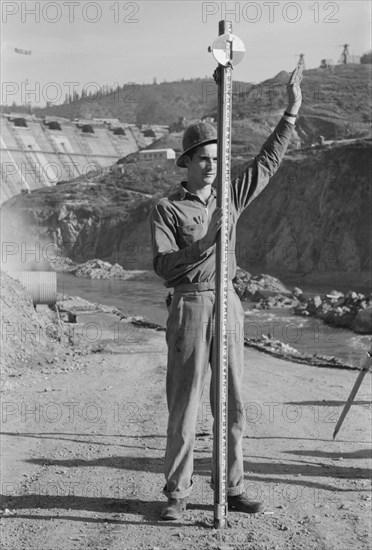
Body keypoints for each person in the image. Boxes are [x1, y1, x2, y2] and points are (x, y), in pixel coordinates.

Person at [149, 66, 303, 520]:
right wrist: (206, 240)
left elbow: (267, 163)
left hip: (229, 301)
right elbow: (162, 265)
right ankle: (177, 495)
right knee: (185, 401)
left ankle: (232, 486)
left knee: (232, 400)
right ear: (188, 163)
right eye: (203, 159)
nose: (212, 165)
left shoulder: (230, 196)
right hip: (191, 304)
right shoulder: (167, 207)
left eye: (216, 158)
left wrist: (291, 112)